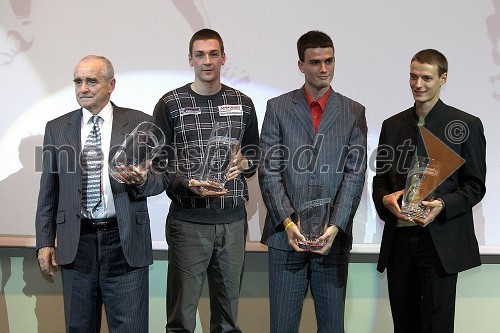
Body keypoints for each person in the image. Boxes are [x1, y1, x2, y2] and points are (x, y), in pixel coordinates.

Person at [35, 55, 166, 332]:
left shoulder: (140, 123)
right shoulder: (57, 129)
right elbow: (48, 190)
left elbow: (161, 180)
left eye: (91, 81)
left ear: (111, 85)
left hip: (124, 242)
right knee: (79, 327)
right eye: (78, 81)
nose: (83, 88)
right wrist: (44, 241)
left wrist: (143, 180)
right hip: (76, 243)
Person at [259, 30, 367, 333]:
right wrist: (289, 223)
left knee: (333, 328)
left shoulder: (353, 111)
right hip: (285, 238)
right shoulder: (278, 107)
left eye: (329, 61)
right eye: (316, 62)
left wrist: (335, 226)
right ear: (300, 65)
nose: (324, 69)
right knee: (282, 327)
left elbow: (354, 175)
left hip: (331, 241)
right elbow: (269, 171)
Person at [372, 49, 486, 333]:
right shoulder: (392, 125)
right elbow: (380, 182)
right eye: (413, 76)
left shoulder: (466, 125)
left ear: (442, 79)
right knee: (404, 324)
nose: (418, 84)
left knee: (438, 325)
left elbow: (475, 186)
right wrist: (385, 199)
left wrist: (442, 205)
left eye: (426, 77)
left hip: (440, 243)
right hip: (400, 242)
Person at [153, 28, 259, 332]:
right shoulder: (170, 103)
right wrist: (186, 183)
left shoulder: (244, 103)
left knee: (227, 321)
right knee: (181, 321)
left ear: (224, 58)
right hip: (188, 223)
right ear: (190, 59)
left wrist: (247, 162)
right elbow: (158, 161)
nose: (207, 61)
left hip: (232, 222)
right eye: (200, 54)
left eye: (214, 54)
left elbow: (255, 150)